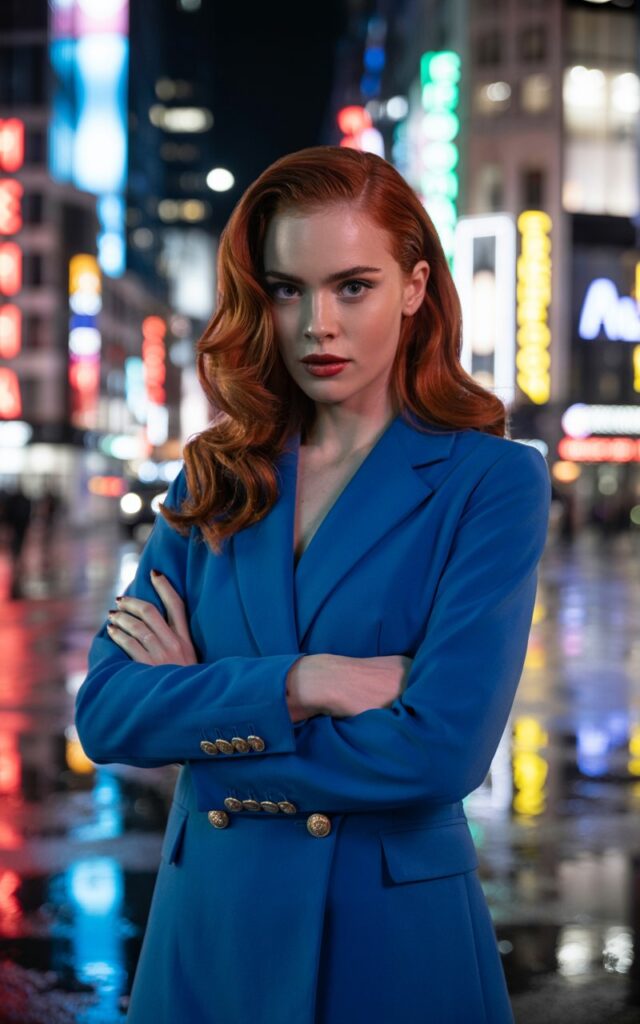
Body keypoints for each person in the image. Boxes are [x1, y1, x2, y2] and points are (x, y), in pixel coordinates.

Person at [75, 145, 551, 1023]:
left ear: (414, 287)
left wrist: (200, 717)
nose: (315, 325)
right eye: (288, 288)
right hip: (206, 932)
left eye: (353, 287)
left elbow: (440, 752)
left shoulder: (490, 482)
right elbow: (106, 715)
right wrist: (304, 684)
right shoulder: (217, 473)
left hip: (387, 939)